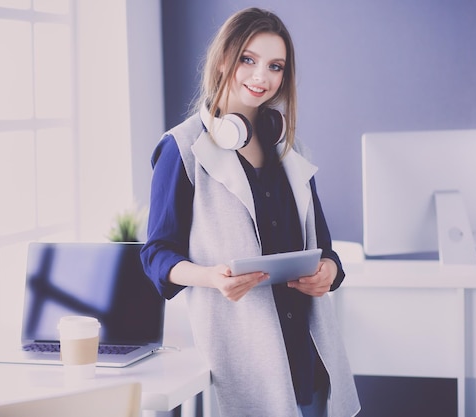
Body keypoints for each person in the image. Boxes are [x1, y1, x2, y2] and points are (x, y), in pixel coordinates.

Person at [140, 7, 360, 417]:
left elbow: (326, 250)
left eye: (275, 66)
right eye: (248, 59)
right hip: (244, 354)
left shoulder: (289, 148)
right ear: (224, 59)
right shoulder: (182, 148)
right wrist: (210, 277)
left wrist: (328, 271)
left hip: (307, 351)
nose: (262, 77)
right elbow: (156, 256)